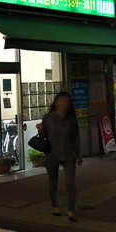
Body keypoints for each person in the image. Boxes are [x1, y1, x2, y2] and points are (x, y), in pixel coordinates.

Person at [41, 92, 82, 222]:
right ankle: (55, 206)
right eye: (62, 101)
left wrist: (79, 154)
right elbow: (43, 136)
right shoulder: (48, 117)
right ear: (57, 102)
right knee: (53, 182)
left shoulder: (71, 120)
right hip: (52, 154)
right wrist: (40, 130)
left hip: (69, 154)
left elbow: (76, 137)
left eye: (66, 102)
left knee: (70, 183)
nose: (64, 104)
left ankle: (71, 210)